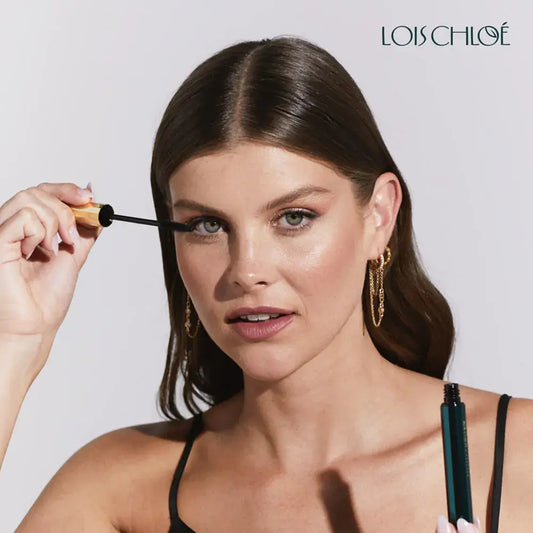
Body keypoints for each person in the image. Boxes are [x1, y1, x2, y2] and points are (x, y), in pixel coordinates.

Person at [0, 35, 530, 533]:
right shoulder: (117, 490)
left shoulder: (520, 455)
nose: (246, 270)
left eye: (294, 218)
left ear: (379, 216)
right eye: (208, 225)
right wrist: (15, 340)